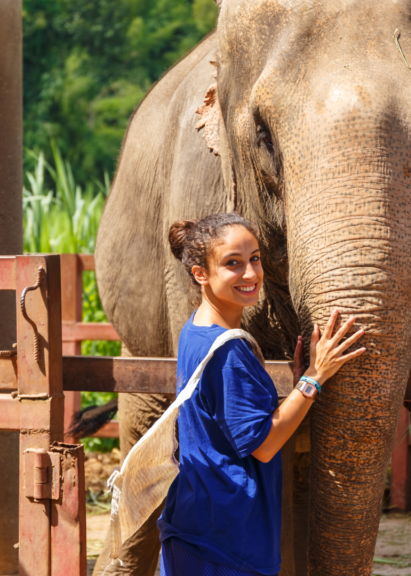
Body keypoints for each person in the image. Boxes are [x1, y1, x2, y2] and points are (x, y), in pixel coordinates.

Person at [158, 212, 366, 576]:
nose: (251, 274)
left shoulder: (196, 329)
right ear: (200, 274)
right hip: (225, 539)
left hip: (197, 520)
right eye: (233, 264)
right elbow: (265, 444)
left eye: (254, 258)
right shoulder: (228, 353)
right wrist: (315, 378)